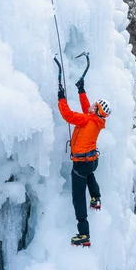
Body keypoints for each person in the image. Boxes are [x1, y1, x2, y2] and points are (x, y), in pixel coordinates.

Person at [57, 77, 111, 247]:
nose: (92, 105)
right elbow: (86, 108)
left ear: (97, 110)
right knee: (89, 175)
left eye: (95, 105)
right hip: (91, 161)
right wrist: (81, 90)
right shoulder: (97, 121)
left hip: (81, 163)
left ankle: (84, 234)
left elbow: (67, 115)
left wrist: (61, 98)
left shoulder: (87, 119)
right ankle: (96, 198)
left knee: (78, 196)